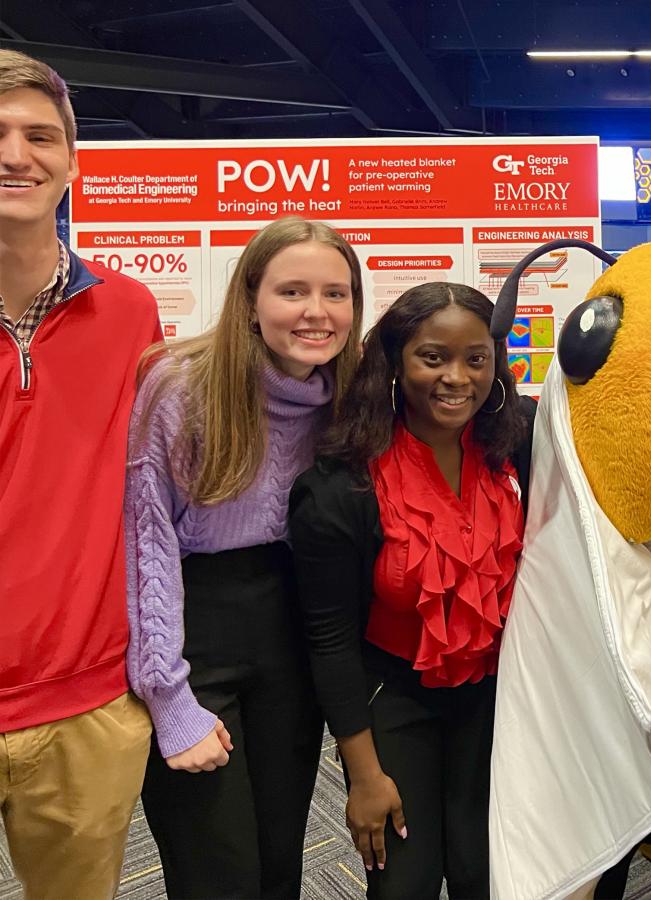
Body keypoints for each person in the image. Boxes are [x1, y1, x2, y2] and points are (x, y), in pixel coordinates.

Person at [125, 216, 363, 898]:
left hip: (292, 636)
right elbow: (147, 544)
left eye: (336, 293)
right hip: (195, 633)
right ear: (251, 300)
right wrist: (169, 698)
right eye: (293, 291)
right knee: (216, 872)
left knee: (279, 859)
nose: (317, 312)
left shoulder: (347, 399)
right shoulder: (182, 387)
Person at [289, 282, 533, 899]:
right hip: (391, 701)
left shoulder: (517, 450)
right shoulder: (343, 487)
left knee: (492, 875)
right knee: (406, 883)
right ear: (395, 365)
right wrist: (363, 775)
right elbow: (330, 641)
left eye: (476, 359)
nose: (458, 377)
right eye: (433, 358)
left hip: (494, 702)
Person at [0, 49, 161, 900]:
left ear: (70, 163)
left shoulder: (129, 313)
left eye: (39, 135)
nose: (15, 154)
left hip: (85, 705)